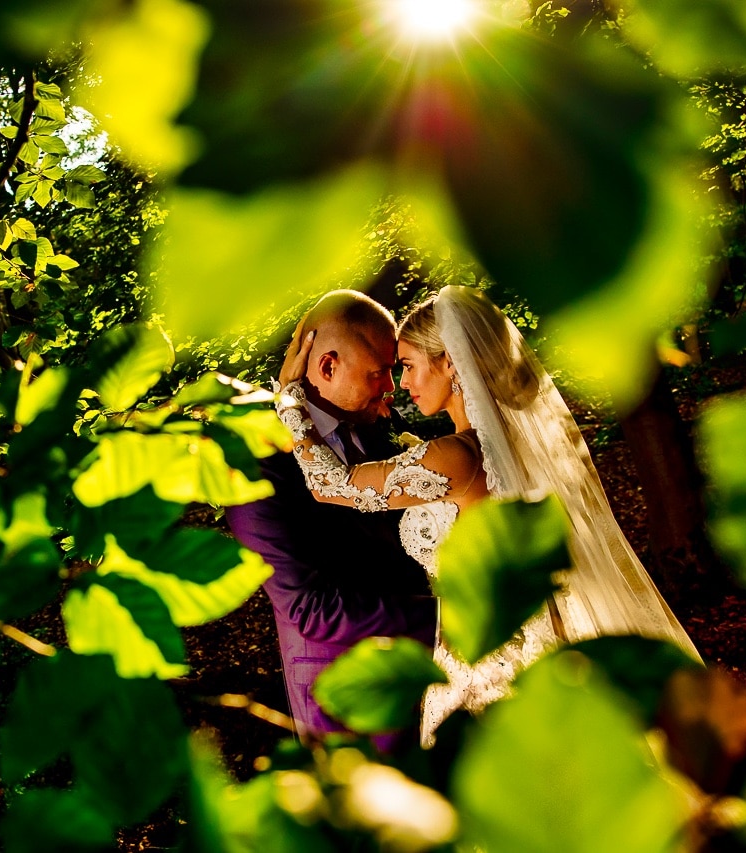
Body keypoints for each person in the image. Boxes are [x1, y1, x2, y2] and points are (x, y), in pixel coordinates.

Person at [274, 284, 702, 746]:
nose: (403, 385)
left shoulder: (454, 458)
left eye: (411, 366)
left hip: (482, 662)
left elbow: (329, 485)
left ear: (451, 364)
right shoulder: (482, 451)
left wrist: (288, 398)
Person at [224, 290, 438, 753]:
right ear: (327, 367)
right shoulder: (256, 464)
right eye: (379, 371)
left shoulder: (373, 431)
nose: (392, 386)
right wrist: (446, 618)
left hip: (432, 679)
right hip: (349, 704)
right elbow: (311, 608)